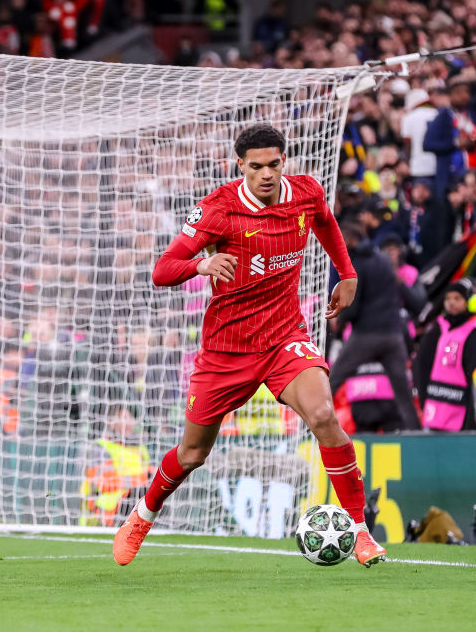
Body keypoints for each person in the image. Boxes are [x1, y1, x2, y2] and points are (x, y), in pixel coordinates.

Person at [113, 124, 386, 567]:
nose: (265, 174)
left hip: (284, 337)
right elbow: (162, 270)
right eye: (255, 166)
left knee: (322, 415)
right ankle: (142, 517)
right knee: (193, 453)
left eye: (273, 164)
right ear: (240, 165)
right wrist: (202, 264)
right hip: (226, 351)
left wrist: (348, 273)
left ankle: (360, 533)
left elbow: (327, 223)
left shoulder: (306, 193)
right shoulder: (218, 209)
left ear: (284, 161)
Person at [329, 221, 420, 431]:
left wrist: (339, 320)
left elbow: (353, 306)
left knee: (333, 380)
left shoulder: (357, 264)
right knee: (403, 393)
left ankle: (310, 426)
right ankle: (416, 436)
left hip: (367, 335)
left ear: (351, 241)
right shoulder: (384, 261)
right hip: (392, 335)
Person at [413, 279, 476, 431]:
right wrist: (425, 402)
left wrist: (471, 424)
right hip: (434, 417)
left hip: (462, 421)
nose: (451, 303)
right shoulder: (437, 330)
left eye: (457, 298)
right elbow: (421, 367)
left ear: (470, 302)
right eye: (448, 298)